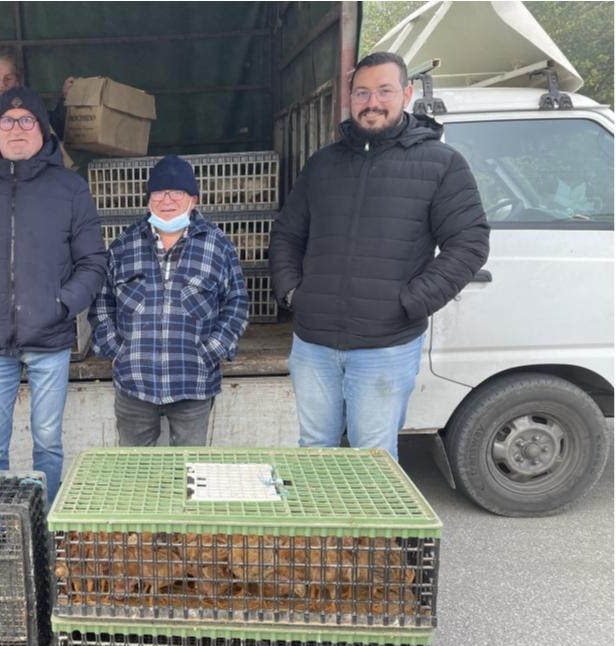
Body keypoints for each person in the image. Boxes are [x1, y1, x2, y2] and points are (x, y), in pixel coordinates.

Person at [269, 52, 490, 460]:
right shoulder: (323, 164)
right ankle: (322, 507)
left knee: (373, 456)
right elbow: (287, 233)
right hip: (313, 341)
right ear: (350, 98)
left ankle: (371, 508)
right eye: (362, 93)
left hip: (385, 345)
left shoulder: (441, 164)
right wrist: (294, 293)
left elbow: (469, 242)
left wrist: (409, 302)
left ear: (406, 94)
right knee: (314, 448)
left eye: (384, 91)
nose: (372, 102)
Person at [0, 86, 106, 505]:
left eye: (27, 120)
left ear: (43, 129)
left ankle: (43, 522)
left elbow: (93, 261)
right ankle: (0, 527)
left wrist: (62, 305)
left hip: (50, 339)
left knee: (47, 441)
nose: (16, 128)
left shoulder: (69, 188)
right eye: (7, 121)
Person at [91, 155, 248, 446]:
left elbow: (236, 304)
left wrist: (211, 352)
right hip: (134, 383)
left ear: (193, 199)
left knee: (189, 466)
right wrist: (117, 351)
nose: (167, 200)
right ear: (148, 199)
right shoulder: (124, 245)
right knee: (134, 467)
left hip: (193, 381)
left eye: (176, 192)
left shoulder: (217, 245)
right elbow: (102, 302)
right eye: (159, 192)